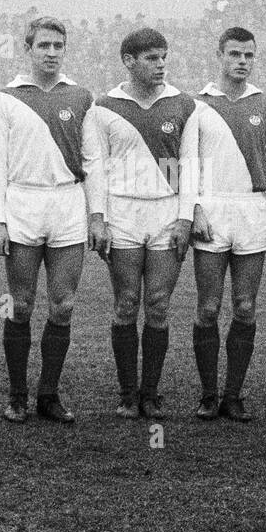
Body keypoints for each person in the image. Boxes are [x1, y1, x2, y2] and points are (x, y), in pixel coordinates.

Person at [0, 16, 105, 424]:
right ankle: (17, 394)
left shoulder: (82, 96)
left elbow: (93, 161)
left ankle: (48, 394)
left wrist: (96, 215)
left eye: (58, 46)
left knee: (64, 305)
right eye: (43, 46)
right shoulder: (5, 99)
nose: (51, 53)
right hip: (22, 203)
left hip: (67, 204)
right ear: (28, 49)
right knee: (20, 304)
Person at [92, 28, 198, 419]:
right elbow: (96, 168)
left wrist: (186, 217)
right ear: (129, 61)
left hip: (166, 214)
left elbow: (190, 166)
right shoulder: (104, 106)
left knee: (157, 305)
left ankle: (150, 393)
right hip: (122, 214)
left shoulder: (184, 104)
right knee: (125, 304)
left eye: (163, 57)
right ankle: (126, 393)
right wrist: (98, 218)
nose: (160, 65)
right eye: (152, 58)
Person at [190, 27, 266, 422]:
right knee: (208, 307)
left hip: (252, 211)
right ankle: (207, 394)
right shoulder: (197, 105)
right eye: (235, 54)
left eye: (248, 55)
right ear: (219, 55)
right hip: (213, 209)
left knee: (246, 306)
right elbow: (188, 164)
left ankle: (234, 395)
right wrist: (195, 208)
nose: (242, 61)